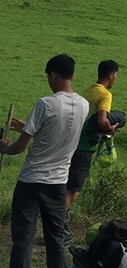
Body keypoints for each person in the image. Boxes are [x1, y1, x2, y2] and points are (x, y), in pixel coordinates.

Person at [0, 54, 89, 268]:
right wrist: (26, 126)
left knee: (22, 242)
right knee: (55, 240)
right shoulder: (84, 105)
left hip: (31, 181)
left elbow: (19, 147)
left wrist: (4, 147)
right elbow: (55, 133)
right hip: (58, 183)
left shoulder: (45, 104)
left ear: (53, 75)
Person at [66, 60, 120, 216]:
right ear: (111, 75)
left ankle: (58, 222)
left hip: (72, 142)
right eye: (116, 75)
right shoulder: (105, 94)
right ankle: (59, 224)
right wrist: (111, 128)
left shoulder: (88, 90)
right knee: (74, 189)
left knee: (67, 185)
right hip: (85, 146)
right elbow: (102, 120)